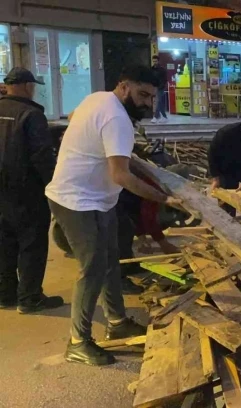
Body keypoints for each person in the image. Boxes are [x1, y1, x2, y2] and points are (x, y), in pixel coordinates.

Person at [45, 65, 182, 366]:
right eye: (142, 94)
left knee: (111, 261)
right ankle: (78, 342)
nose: (147, 102)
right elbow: (121, 175)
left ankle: (117, 321)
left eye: (152, 97)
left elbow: (73, 120)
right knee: (93, 268)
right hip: (77, 201)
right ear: (124, 87)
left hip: (98, 200)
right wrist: (165, 198)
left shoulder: (97, 99)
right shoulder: (117, 118)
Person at [0, 67, 64, 313]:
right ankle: (29, 297)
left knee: (4, 241)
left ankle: (5, 294)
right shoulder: (31, 114)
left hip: (1, 191)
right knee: (32, 242)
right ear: (27, 86)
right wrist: (54, 185)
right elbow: (41, 156)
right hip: (26, 190)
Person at [150, 55, 168, 124]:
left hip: (161, 87)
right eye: (153, 61)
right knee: (159, 102)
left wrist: (161, 86)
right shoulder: (151, 69)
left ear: (158, 61)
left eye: (156, 61)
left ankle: (156, 117)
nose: (155, 62)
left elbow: (165, 79)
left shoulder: (162, 70)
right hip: (154, 87)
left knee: (158, 101)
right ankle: (163, 117)